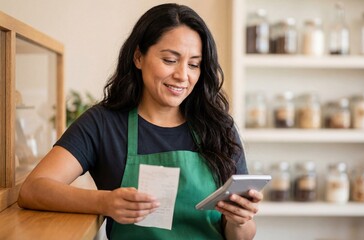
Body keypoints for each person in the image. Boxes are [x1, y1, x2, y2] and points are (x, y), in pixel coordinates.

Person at [18, 3, 263, 239]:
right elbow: (33, 188)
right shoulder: (103, 124)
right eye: (169, 60)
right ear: (138, 57)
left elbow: (242, 235)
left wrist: (238, 220)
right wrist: (105, 202)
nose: (182, 75)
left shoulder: (220, 128)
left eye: (194, 64)